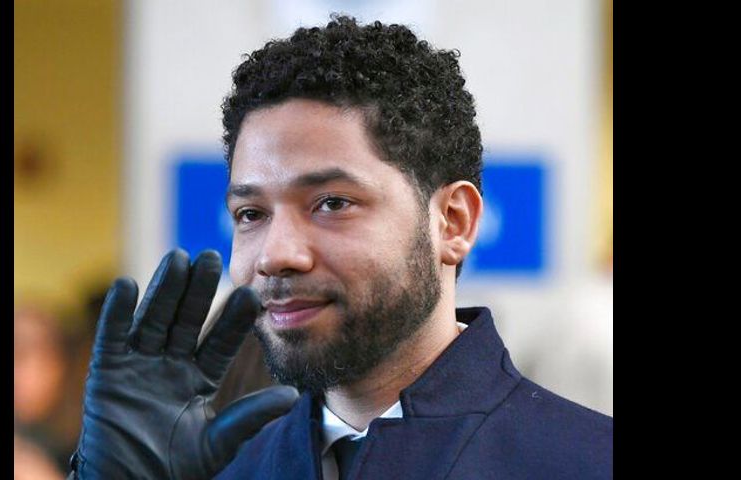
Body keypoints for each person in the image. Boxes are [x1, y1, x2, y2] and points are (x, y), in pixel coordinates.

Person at [68, 15, 612, 480]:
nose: (276, 255)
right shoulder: (231, 470)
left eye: (332, 203)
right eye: (251, 214)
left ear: (453, 221)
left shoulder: (588, 461)